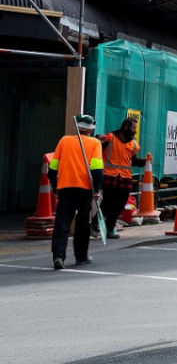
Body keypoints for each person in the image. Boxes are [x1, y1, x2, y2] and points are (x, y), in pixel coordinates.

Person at [49, 115, 104, 270]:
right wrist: (97, 189)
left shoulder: (64, 140)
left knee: (62, 223)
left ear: (77, 128)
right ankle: (81, 257)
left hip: (65, 188)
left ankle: (58, 256)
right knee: (82, 224)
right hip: (85, 189)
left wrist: (55, 186)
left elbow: (53, 168)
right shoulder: (95, 143)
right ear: (91, 129)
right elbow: (97, 169)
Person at [98, 117, 145, 239]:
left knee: (120, 204)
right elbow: (98, 146)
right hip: (110, 175)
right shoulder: (111, 137)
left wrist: (143, 162)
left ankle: (109, 227)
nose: (135, 130)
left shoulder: (133, 143)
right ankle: (95, 224)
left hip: (124, 177)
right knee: (108, 203)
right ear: (126, 127)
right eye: (133, 128)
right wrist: (99, 138)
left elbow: (132, 160)